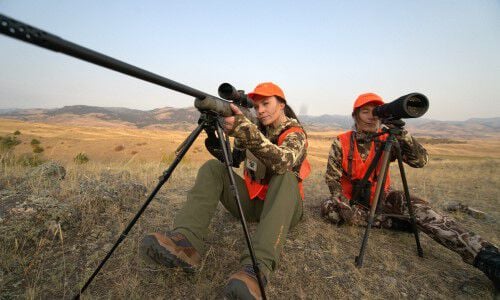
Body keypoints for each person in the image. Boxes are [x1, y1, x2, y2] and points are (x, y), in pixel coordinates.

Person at [140, 82, 311, 299]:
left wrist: (245, 130)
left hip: (285, 208)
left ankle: (255, 270)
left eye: (266, 104)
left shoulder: (296, 133)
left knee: (285, 176)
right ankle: (185, 243)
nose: (260, 111)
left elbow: (283, 162)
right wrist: (216, 136)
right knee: (213, 169)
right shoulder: (254, 128)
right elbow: (234, 161)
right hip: (254, 204)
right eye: (256, 106)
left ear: (282, 104)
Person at [320, 92, 499, 291]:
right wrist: (340, 200)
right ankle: (395, 222)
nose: (371, 116)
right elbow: (332, 178)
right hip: (351, 200)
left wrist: (403, 134)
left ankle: (488, 258)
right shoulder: (342, 141)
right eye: (365, 111)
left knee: (426, 213)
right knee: (330, 209)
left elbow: (420, 161)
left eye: (376, 112)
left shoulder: (389, 138)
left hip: (383, 196)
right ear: (355, 116)